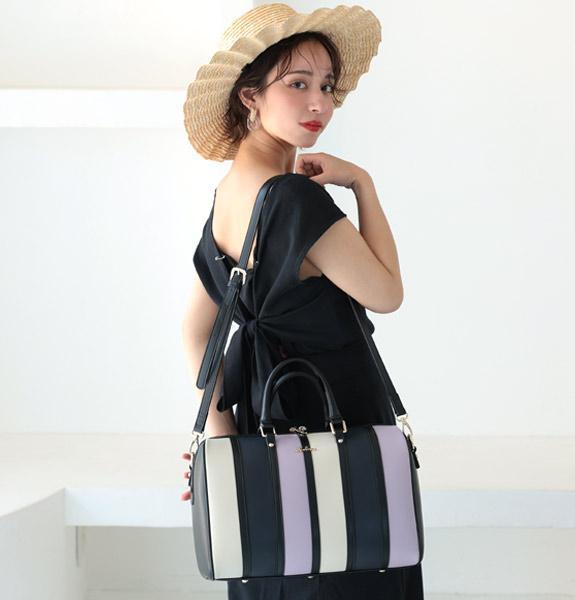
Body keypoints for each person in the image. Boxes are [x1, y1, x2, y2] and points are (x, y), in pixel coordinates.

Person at [179, 4, 424, 599]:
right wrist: (361, 183)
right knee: (354, 557)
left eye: (327, 86)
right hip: (335, 422)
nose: (319, 103)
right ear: (250, 96)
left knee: (278, 561)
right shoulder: (292, 199)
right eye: (297, 84)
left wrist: (221, 438)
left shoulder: (228, 194)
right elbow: (387, 293)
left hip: (262, 422)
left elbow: (196, 331)